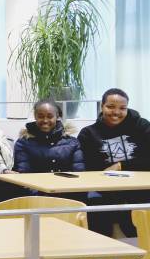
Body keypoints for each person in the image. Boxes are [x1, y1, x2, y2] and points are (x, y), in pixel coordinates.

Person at [79, 88, 150, 239]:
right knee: (96, 206)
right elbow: (91, 169)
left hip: (141, 187)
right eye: (110, 107)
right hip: (106, 188)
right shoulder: (88, 134)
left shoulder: (142, 126)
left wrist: (121, 165)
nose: (116, 112)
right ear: (101, 107)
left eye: (122, 108)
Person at [13, 100, 85, 201]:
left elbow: (79, 174)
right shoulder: (23, 143)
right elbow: (24, 177)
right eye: (41, 116)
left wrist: (64, 195)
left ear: (57, 117)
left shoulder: (72, 142)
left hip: (68, 195)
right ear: (35, 116)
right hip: (36, 197)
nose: (45, 120)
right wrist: (43, 198)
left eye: (50, 116)